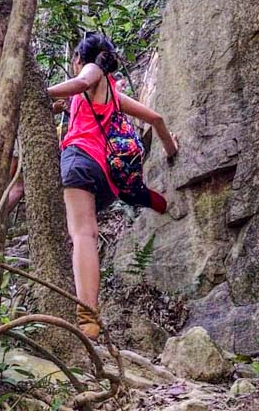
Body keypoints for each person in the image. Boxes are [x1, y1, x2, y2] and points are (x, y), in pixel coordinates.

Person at [46, 32, 178, 339]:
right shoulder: (113, 94)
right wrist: (172, 151)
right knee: (87, 232)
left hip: (79, 161)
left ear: (79, 59)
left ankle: (87, 318)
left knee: (83, 234)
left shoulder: (90, 72)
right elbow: (156, 119)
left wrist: (40, 93)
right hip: (108, 178)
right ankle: (141, 195)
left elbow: (81, 82)